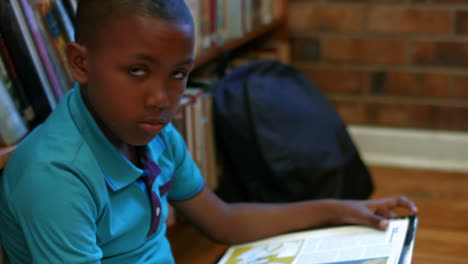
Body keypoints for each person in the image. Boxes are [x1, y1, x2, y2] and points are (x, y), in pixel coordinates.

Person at [0, 0, 418, 263]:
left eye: (178, 74)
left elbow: (224, 220)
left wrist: (339, 211)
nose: (161, 98)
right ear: (80, 63)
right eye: (137, 71)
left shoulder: (154, 136)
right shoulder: (56, 177)